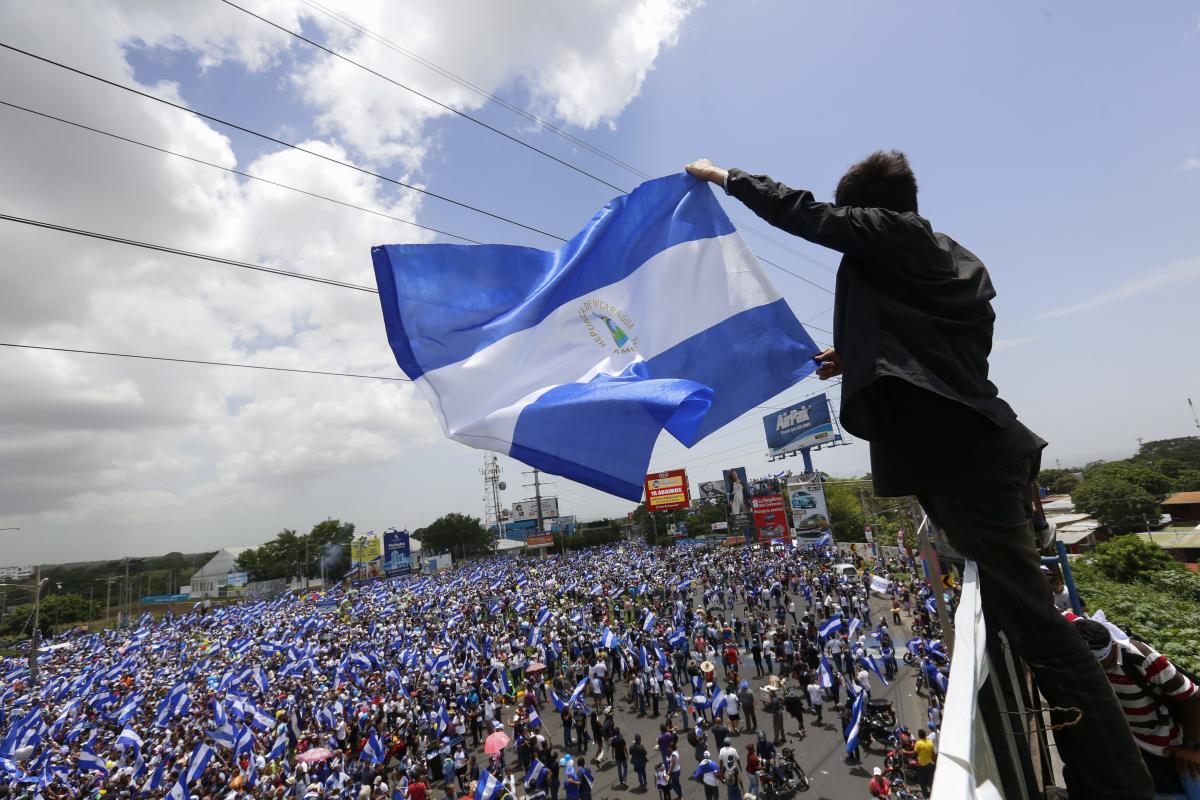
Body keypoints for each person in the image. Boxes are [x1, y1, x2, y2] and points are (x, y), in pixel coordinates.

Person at [684, 153, 1154, 800]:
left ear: (873, 209)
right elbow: (940, 353)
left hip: (963, 460)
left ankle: (1111, 786)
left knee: (1044, 637)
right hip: (982, 450)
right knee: (1030, 626)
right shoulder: (948, 258)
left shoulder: (893, 233)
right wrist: (855, 356)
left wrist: (728, 178)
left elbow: (811, 216)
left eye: (856, 215)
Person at [1074, 617, 1200, 798]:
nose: (1103, 673)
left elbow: (1193, 697)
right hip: (1132, 743)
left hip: (1170, 743)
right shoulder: (1080, 660)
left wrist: (1192, 747)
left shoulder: (1141, 659)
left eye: (1106, 666)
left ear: (1114, 647)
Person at [913, 729, 935, 795]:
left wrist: (905, 751)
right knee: (930, 780)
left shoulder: (918, 743)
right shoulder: (930, 742)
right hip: (930, 765)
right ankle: (932, 793)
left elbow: (914, 752)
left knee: (922, 781)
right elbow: (933, 754)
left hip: (922, 766)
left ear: (919, 735)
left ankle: (925, 794)